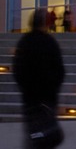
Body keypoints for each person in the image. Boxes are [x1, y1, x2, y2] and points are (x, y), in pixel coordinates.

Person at [13, 8, 65, 148]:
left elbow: (17, 71)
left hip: (30, 98)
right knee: (47, 134)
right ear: (45, 23)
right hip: (47, 99)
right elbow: (59, 72)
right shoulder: (50, 42)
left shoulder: (24, 42)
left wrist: (26, 88)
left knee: (34, 134)